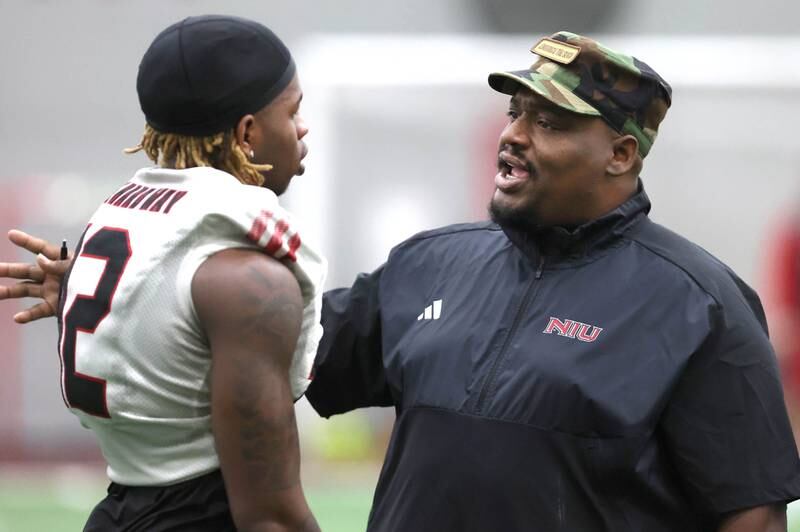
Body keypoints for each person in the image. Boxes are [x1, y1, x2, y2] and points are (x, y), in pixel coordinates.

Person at [3, 30, 800, 532]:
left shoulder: (698, 302)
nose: (513, 138)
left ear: (621, 154)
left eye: (549, 123)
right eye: (515, 114)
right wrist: (133, 280)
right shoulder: (430, 262)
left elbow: (752, 512)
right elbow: (296, 349)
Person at [0, 14, 325, 532]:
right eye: (293, 111)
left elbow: (161, 328)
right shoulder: (245, 277)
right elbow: (271, 517)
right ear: (246, 133)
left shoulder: (121, 226)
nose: (303, 128)